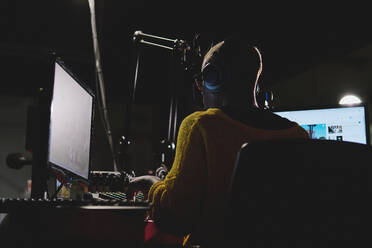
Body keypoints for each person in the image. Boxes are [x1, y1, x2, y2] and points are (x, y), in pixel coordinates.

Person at [129, 36, 310, 247]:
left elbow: (174, 218)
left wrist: (153, 184)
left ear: (212, 77)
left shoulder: (201, 126)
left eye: (202, 78)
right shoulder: (298, 135)